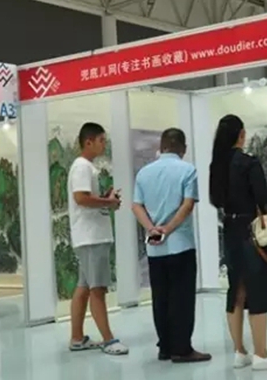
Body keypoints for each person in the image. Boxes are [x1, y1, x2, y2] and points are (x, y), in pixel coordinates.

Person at [209, 114, 267, 371]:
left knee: (237, 289)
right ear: (241, 135)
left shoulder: (216, 165)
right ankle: (262, 354)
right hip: (253, 232)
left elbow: (215, 200)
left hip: (230, 231)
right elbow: (264, 201)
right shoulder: (249, 163)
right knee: (259, 289)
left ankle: (239, 352)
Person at [132, 128, 211, 363]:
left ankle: (165, 347)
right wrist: (168, 228)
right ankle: (182, 348)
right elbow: (187, 205)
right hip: (181, 245)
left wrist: (152, 228)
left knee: (161, 298)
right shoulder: (188, 170)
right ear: (183, 148)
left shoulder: (144, 173)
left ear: (162, 146)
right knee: (182, 298)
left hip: (155, 248)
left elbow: (136, 206)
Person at [67, 122, 128, 355]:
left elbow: (86, 198)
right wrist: (108, 202)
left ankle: (77, 338)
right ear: (88, 142)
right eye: (101, 140)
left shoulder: (86, 167)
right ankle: (109, 340)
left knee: (84, 288)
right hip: (91, 237)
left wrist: (104, 199)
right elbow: (81, 198)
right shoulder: (82, 167)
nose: (104, 144)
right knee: (97, 289)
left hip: (89, 236)